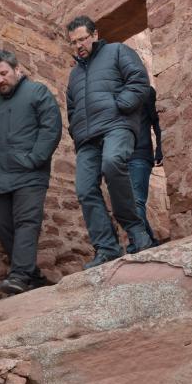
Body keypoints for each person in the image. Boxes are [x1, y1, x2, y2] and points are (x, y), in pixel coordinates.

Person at [64, 15, 154, 269]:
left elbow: (139, 80)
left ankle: (136, 230)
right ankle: (106, 248)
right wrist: (76, 130)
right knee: (84, 189)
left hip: (117, 125)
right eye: (74, 42)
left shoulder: (117, 51)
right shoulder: (73, 76)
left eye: (82, 39)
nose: (79, 45)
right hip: (86, 138)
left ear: (94, 35)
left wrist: (120, 105)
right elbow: (71, 107)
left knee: (113, 163)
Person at [0, 49, 62, 295]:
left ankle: (19, 275)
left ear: (17, 70)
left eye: (4, 73)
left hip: (30, 175)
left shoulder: (37, 92)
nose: (0, 79)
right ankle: (32, 275)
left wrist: (35, 159)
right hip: (0, 179)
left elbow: (51, 127)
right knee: (5, 228)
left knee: (27, 223)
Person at [126, 86, 164, 254]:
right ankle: (148, 241)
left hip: (140, 154)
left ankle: (139, 243)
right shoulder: (112, 90)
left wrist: (160, 148)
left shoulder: (146, 92)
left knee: (136, 201)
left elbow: (156, 120)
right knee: (127, 204)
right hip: (119, 157)